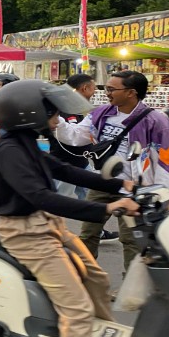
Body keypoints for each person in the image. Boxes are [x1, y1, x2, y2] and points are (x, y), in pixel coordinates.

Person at [0, 79, 139, 337]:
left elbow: (65, 171)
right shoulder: (10, 151)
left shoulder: (25, 144)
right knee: (77, 309)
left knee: (96, 279)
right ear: (32, 114)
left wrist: (122, 185)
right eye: (53, 112)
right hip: (26, 235)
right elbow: (42, 197)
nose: (57, 117)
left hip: (45, 225)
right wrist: (106, 209)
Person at [56, 70, 169, 273]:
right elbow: (75, 136)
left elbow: (166, 159)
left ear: (131, 92)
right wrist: (57, 120)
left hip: (134, 189)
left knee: (131, 240)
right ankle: (84, 276)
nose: (107, 93)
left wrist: (163, 191)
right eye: (106, 88)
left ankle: (130, 287)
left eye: (111, 89)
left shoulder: (156, 121)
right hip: (101, 183)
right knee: (88, 234)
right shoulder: (100, 113)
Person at [50, 75, 119, 242]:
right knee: (58, 202)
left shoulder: (76, 107)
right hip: (65, 163)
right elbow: (72, 135)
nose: (97, 92)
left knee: (90, 197)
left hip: (80, 163)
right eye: (94, 88)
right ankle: (51, 232)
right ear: (84, 88)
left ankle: (96, 232)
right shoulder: (66, 108)